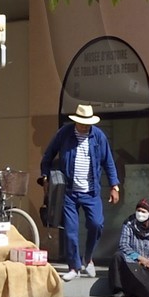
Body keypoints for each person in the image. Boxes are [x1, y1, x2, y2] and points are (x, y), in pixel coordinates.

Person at [38, 103, 119, 278]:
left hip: (91, 192)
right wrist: (45, 176)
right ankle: (73, 267)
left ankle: (87, 259)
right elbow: (48, 155)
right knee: (70, 231)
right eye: (81, 122)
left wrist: (114, 185)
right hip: (69, 192)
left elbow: (108, 162)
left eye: (87, 123)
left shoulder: (98, 137)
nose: (84, 126)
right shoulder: (64, 134)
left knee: (96, 224)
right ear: (75, 121)